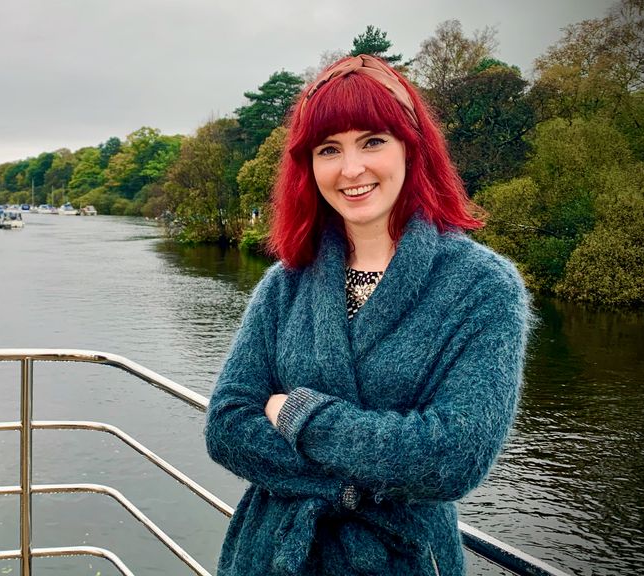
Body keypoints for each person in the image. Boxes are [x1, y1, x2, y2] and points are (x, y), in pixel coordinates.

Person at [204, 55, 532, 575]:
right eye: (328, 149)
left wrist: (300, 416)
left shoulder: (481, 288)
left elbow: (454, 457)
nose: (351, 169)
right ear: (308, 167)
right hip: (272, 555)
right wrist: (363, 483)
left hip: (400, 560)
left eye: (372, 141)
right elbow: (226, 424)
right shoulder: (287, 282)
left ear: (411, 146)